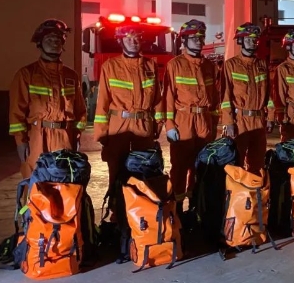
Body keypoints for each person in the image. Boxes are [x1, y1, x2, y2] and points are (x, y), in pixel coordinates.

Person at [8, 19, 87, 179]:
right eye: (49, 39)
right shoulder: (26, 74)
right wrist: (20, 142)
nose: (54, 43)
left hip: (65, 137)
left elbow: (80, 111)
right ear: (39, 43)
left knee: (65, 183)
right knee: (36, 183)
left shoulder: (71, 76)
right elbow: (17, 113)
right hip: (37, 138)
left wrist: (76, 135)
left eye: (58, 39)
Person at [93, 23, 163, 193]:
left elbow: (157, 100)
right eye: (128, 38)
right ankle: (115, 207)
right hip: (119, 128)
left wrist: (157, 126)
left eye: (137, 38)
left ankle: (140, 208)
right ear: (120, 41)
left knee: (144, 173)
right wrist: (102, 133)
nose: (134, 42)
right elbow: (102, 102)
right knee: (116, 172)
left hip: (143, 128)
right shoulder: (110, 66)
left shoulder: (150, 66)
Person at [162, 19, 219, 219]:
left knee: (201, 167)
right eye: (194, 38)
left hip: (204, 120)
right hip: (183, 121)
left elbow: (215, 97)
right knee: (179, 168)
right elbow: (168, 96)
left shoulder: (210, 66)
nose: (198, 41)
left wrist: (214, 124)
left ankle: (195, 208)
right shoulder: (175, 65)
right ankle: (176, 210)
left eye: (201, 37)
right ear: (184, 40)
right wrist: (169, 124)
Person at [220, 22, 274, 173]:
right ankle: (236, 189)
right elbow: (225, 96)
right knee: (236, 163)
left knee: (258, 164)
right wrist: (228, 122)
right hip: (239, 121)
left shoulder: (262, 64)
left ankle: (255, 188)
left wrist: (270, 117)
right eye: (248, 39)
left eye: (254, 39)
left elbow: (269, 94)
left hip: (259, 121)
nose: (252, 42)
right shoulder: (231, 65)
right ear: (240, 40)